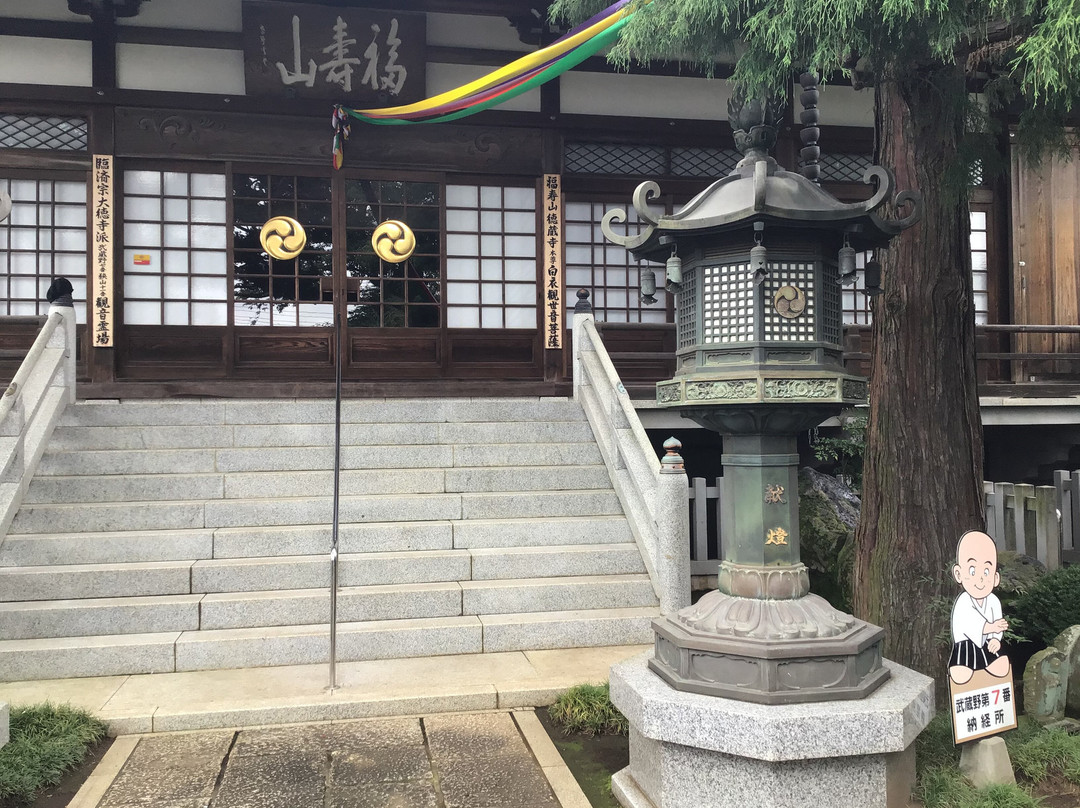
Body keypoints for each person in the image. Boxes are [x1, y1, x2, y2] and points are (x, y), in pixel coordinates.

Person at [948, 530, 1011, 685]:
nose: (981, 578)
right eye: (972, 570)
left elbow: (998, 625)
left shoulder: (993, 601)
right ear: (958, 573)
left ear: (996, 578)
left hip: (987, 643)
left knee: (999, 663)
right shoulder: (963, 601)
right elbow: (971, 624)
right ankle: (961, 669)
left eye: (987, 571)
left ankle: (993, 665)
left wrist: (996, 638)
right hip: (966, 644)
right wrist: (991, 627)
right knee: (963, 669)